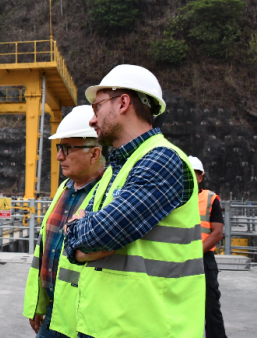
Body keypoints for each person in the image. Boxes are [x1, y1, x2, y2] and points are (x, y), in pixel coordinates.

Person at [63, 64, 205, 338]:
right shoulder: (119, 168)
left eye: (97, 108)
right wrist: (80, 239)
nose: (92, 121)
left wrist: (85, 236)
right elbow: (79, 237)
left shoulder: (161, 160)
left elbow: (100, 234)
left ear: (123, 102)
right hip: (107, 326)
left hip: (149, 328)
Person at [23, 106, 106, 338]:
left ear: (94, 154)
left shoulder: (108, 194)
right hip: (55, 310)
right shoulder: (64, 189)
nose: (59, 156)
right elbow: (44, 250)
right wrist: (38, 303)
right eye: (60, 148)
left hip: (86, 318)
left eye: (67, 149)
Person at [189, 156, 227, 338]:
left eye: (193, 174)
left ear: (200, 176)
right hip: (177, 258)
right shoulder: (172, 200)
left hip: (203, 260)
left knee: (211, 307)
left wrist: (195, 252)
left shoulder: (210, 198)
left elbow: (217, 232)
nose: (189, 177)